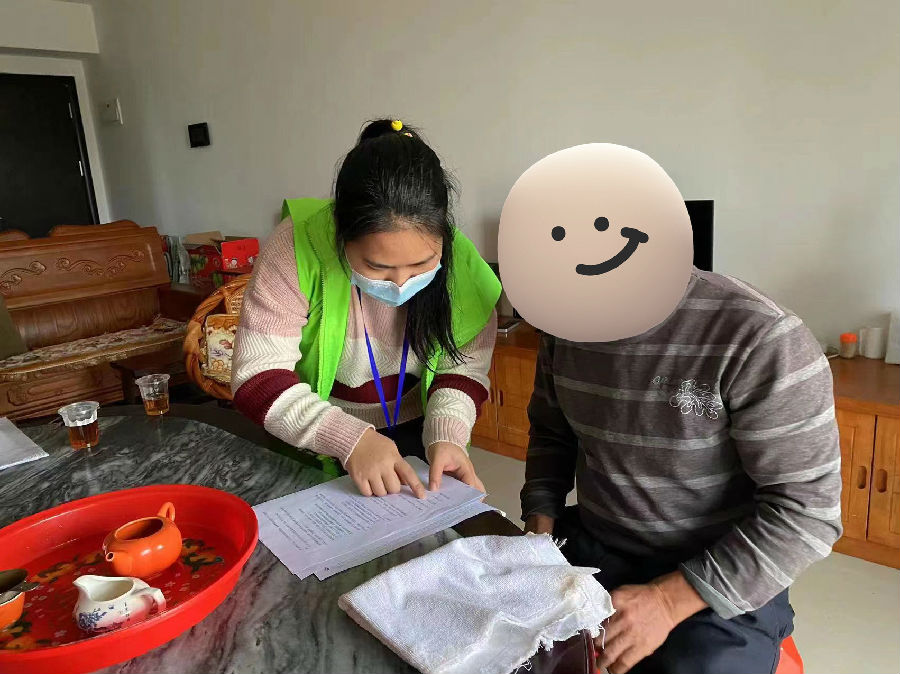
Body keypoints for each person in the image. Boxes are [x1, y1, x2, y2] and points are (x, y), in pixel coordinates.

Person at [499, 144, 842, 674]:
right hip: (596, 543)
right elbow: (552, 433)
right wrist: (539, 529)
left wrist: (665, 601)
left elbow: (807, 512)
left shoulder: (760, 337)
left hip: (716, 567)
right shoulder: (563, 323)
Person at [232, 119, 500, 498]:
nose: (401, 283)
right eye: (377, 266)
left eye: (421, 265)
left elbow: (464, 368)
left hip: (419, 426)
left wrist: (447, 434)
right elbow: (257, 376)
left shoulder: (463, 265)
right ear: (341, 236)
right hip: (316, 431)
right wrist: (350, 440)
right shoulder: (296, 248)